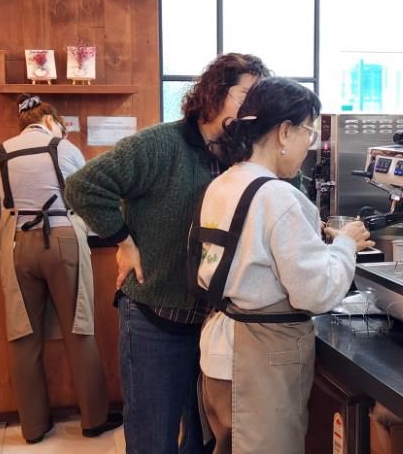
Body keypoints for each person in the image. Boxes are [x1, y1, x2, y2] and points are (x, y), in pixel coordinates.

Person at [64, 53, 271, 454]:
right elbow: (83, 186)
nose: (253, 107)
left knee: (204, 437)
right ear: (215, 93)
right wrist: (124, 241)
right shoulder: (161, 144)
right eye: (246, 95)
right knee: (152, 438)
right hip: (154, 318)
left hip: (216, 324)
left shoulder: (243, 153)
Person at [189, 77, 374, 454]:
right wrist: (345, 245)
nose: (310, 146)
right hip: (260, 359)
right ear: (284, 132)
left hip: (220, 350)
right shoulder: (279, 196)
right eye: (309, 132)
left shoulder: (223, 184)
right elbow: (316, 293)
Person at [0, 94, 122, 444]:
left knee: (23, 335)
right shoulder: (64, 149)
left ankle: (33, 427)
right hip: (63, 241)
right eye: (62, 126)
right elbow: (86, 195)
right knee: (79, 327)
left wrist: (6, 226)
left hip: (17, 245)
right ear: (49, 121)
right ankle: (93, 419)